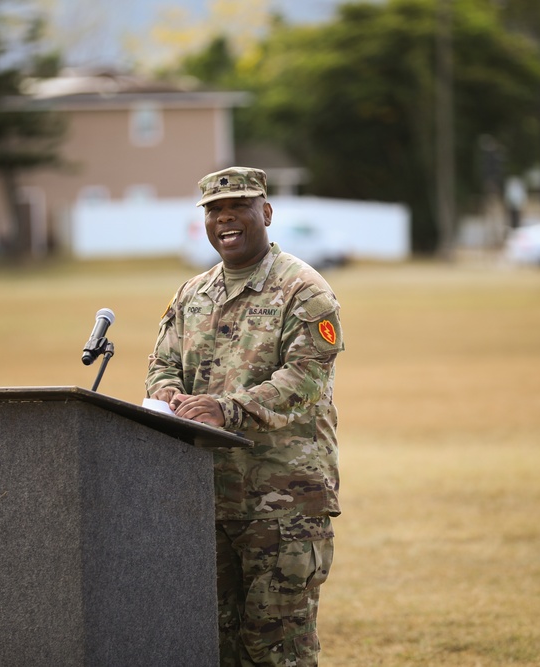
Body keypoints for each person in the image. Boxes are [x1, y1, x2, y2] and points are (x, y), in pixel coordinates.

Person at [145, 166, 344, 666]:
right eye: (215, 210)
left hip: (283, 503)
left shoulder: (304, 289)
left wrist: (225, 410)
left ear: (267, 213)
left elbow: (305, 380)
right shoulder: (193, 293)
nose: (226, 219)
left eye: (239, 207)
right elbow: (162, 364)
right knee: (215, 646)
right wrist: (171, 397)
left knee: (276, 649)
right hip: (205, 498)